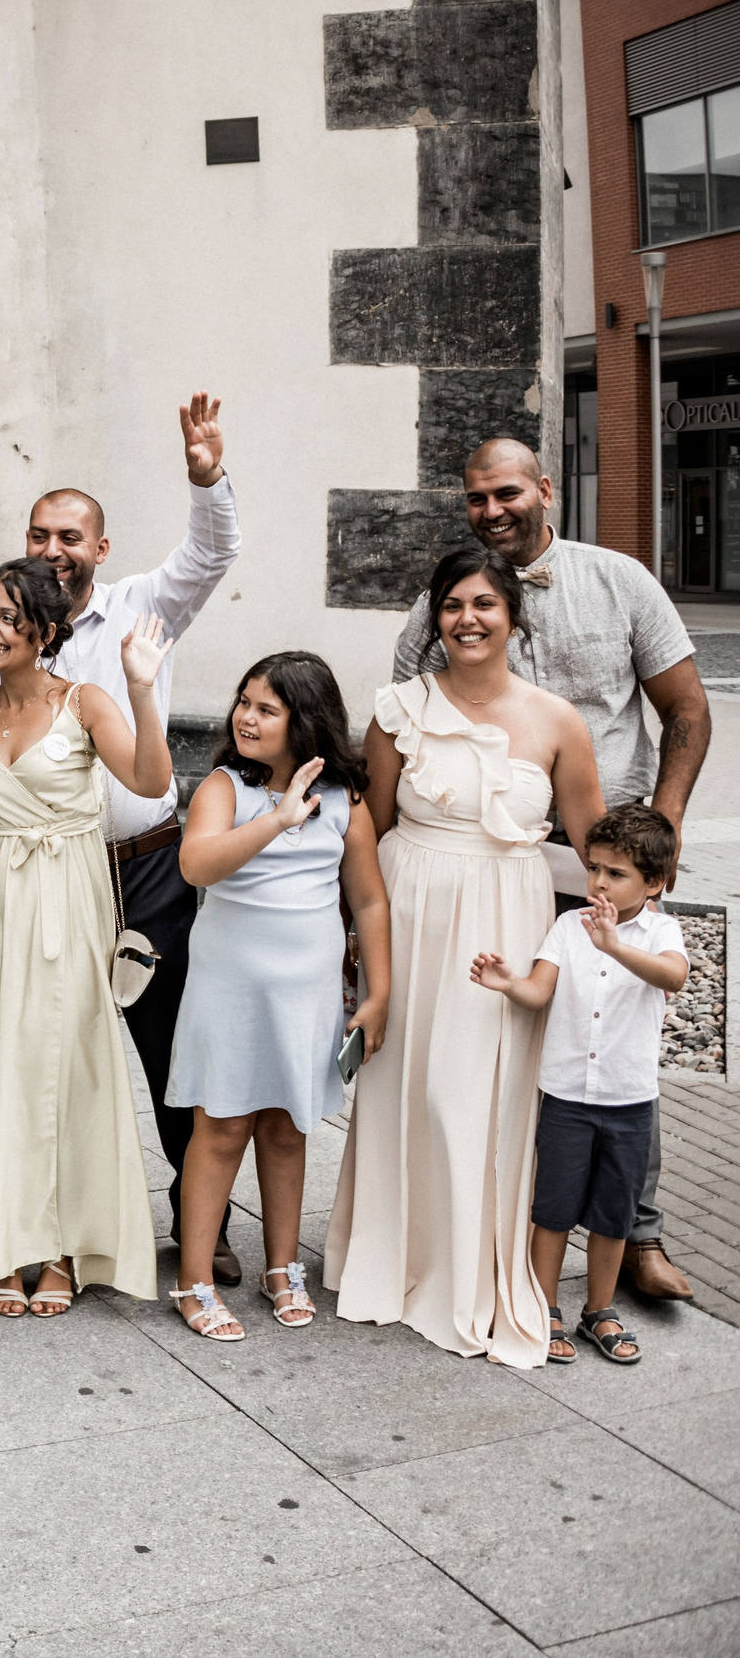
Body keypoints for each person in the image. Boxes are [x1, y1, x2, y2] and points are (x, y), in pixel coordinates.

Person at [392, 438, 713, 1304]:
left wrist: (665, 831)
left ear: (544, 490)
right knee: (512, 1042)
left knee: (614, 1041)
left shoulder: (620, 581)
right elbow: (401, 725)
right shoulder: (442, 608)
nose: (492, 510)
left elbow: (685, 706)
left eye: (506, 493)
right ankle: (493, 1225)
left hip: (604, 860)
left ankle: (636, 1233)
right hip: (494, 865)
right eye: (474, 499)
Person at [0, 393, 241, 1283]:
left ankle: (204, 1220)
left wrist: (206, 479)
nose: (53, 549)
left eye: (70, 537)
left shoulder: (140, 604)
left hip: (147, 868)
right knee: (40, 1051)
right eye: (40, 533)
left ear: (100, 549)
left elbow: (210, 556)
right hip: (37, 877)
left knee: (164, 1048)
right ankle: (22, 1218)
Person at [327, 544, 604, 1368]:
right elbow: (367, 828)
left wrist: (623, 929)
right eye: (452, 605)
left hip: (507, 918)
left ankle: (475, 1270)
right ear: (434, 617)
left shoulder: (558, 719)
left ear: (513, 616)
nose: (468, 619)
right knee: (406, 1083)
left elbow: (594, 841)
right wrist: (353, 936)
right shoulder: (397, 709)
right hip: (411, 907)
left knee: (476, 1093)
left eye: (484, 603)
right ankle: (394, 1257)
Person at [0, 560, 173, 1317]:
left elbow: (151, 779)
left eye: (8, 615)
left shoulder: (86, 701)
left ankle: (64, 1245)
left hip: (69, 894)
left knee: (64, 1068)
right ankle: (3, 1243)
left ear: (45, 626)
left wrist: (140, 686)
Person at [161, 654, 389, 1342]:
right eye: (244, 701)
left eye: (266, 707)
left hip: (306, 994)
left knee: (289, 1128)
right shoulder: (225, 788)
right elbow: (197, 863)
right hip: (230, 991)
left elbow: (371, 900)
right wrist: (278, 820)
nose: (246, 716)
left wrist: (378, 990)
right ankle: (195, 1277)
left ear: (305, 720)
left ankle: (282, 1265)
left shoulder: (346, 802)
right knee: (222, 1126)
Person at [471, 805, 688, 1369]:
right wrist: (508, 983)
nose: (598, 881)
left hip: (629, 1101)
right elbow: (540, 992)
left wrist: (615, 945)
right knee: (555, 1210)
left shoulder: (662, 930)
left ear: (654, 882)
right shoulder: (569, 927)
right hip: (567, 1096)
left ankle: (600, 1309)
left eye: (616, 873)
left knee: (613, 1216)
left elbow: (674, 976)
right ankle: (545, 1310)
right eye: (594, 868)